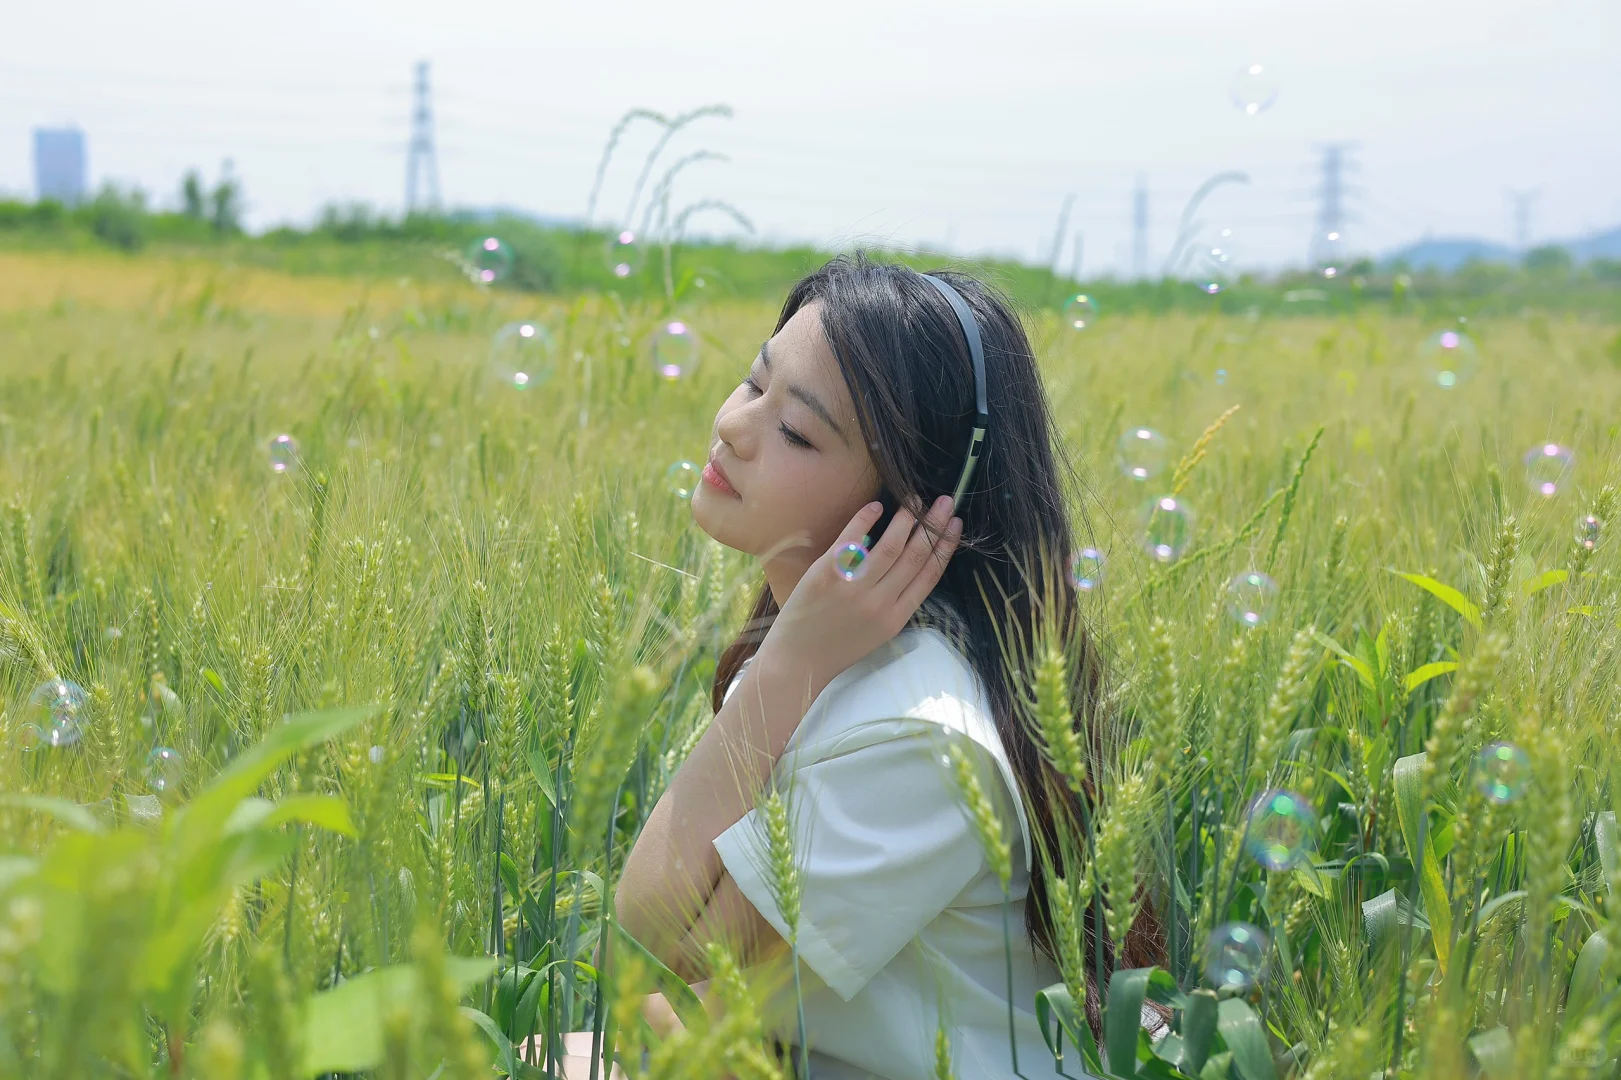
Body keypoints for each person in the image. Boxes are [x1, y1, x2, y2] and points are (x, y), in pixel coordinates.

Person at [572, 254, 1163, 1079]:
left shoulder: (916, 740)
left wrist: (786, 666)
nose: (735, 429)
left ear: (905, 511)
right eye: (753, 383)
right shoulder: (832, 667)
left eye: (796, 432)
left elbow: (649, 953)